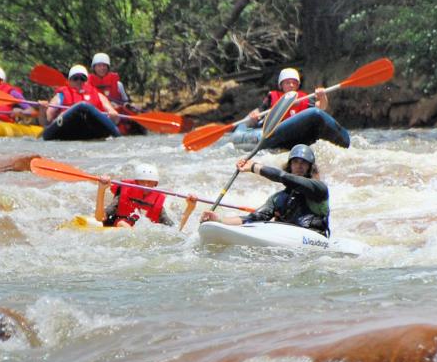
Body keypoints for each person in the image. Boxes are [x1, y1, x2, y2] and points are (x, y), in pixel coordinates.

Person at [200, 144, 329, 236]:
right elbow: (251, 219)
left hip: (314, 238)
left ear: (310, 167)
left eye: (304, 162)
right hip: (286, 240)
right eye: (295, 162)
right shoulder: (278, 199)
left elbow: (284, 177)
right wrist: (219, 221)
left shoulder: (319, 189)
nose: (299, 166)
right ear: (290, 166)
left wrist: (254, 167)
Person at [96, 162, 197, 228]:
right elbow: (100, 218)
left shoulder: (157, 204)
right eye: (142, 182)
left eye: (149, 182)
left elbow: (176, 230)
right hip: (120, 227)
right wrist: (101, 190)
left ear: (155, 184)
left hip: (137, 235)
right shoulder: (123, 195)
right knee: (122, 224)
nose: (145, 186)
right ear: (135, 182)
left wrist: (190, 208)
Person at [247, 68, 329, 126]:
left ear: (298, 85)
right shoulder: (272, 97)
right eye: (287, 83)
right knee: (252, 119)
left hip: (299, 128)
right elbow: (260, 110)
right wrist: (255, 116)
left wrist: (322, 96)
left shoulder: (305, 98)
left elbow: (322, 107)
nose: (291, 85)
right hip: (276, 128)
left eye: (294, 83)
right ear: (281, 85)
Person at [45, 64, 120, 126]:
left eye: (82, 78)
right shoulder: (61, 95)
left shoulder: (97, 95)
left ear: (87, 81)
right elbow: (47, 118)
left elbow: (113, 114)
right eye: (75, 78)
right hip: (68, 125)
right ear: (69, 81)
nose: (79, 81)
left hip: (93, 125)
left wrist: (113, 114)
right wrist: (43, 110)